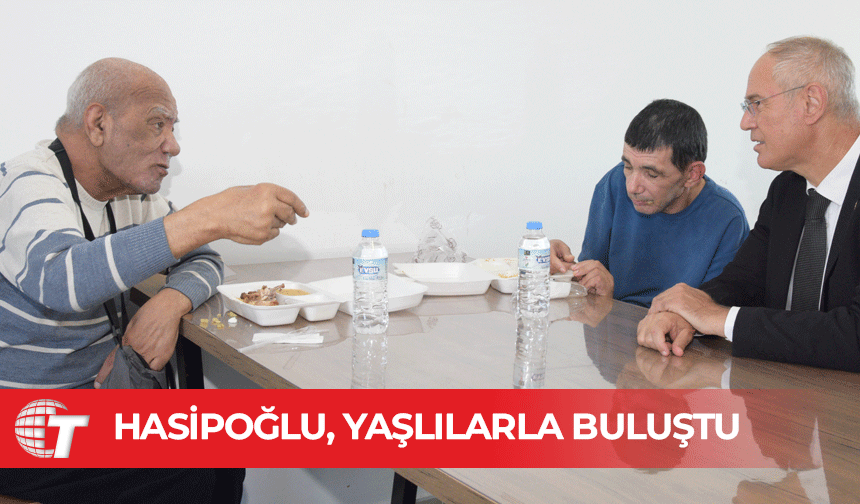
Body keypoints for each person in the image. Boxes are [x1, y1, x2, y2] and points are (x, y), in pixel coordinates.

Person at [0, 57, 308, 502]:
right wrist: (208, 216)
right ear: (98, 123)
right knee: (194, 467)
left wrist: (168, 303)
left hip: (92, 405)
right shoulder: (26, 181)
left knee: (223, 440)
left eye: (173, 128)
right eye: (157, 124)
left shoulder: (127, 194)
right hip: (22, 421)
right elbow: (62, 280)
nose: (173, 146)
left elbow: (205, 257)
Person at [639, 36, 860, 373]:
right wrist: (684, 313)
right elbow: (742, 284)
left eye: (757, 104)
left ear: (811, 103)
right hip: (787, 392)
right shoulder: (787, 190)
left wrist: (720, 318)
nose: (746, 122)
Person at [550, 99, 749, 307]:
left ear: (692, 174)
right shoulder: (614, 184)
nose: (632, 187)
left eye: (651, 174)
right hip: (612, 320)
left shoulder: (727, 219)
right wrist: (561, 269)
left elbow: (711, 315)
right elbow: (587, 287)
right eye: (628, 166)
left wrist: (609, 299)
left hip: (677, 327)